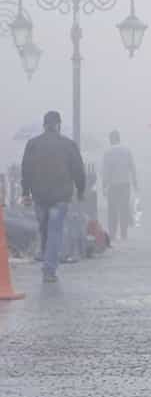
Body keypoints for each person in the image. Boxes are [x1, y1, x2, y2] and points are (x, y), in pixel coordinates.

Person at [20, 111, 86, 283]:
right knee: (55, 231)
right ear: (58, 125)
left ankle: (47, 259)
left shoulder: (33, 144)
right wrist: (81, 189)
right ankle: (49, 269)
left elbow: (26, 169)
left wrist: (25, 193)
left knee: (45, 229)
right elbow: (78, 169)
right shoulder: (68, 145)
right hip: (60, 196)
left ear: (44, 125)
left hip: (40, 195)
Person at [101, 130, 138, 242]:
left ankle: (112, 234)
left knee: (112, 209)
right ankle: (124, 233)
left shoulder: (108, 152)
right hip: (125, 184)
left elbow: (105, 171)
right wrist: (135, 183)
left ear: (111, 139)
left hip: (113, 185)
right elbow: (132, 167)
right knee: (124, 209)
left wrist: (104, 185)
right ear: (119, 138)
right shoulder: (127, 150)